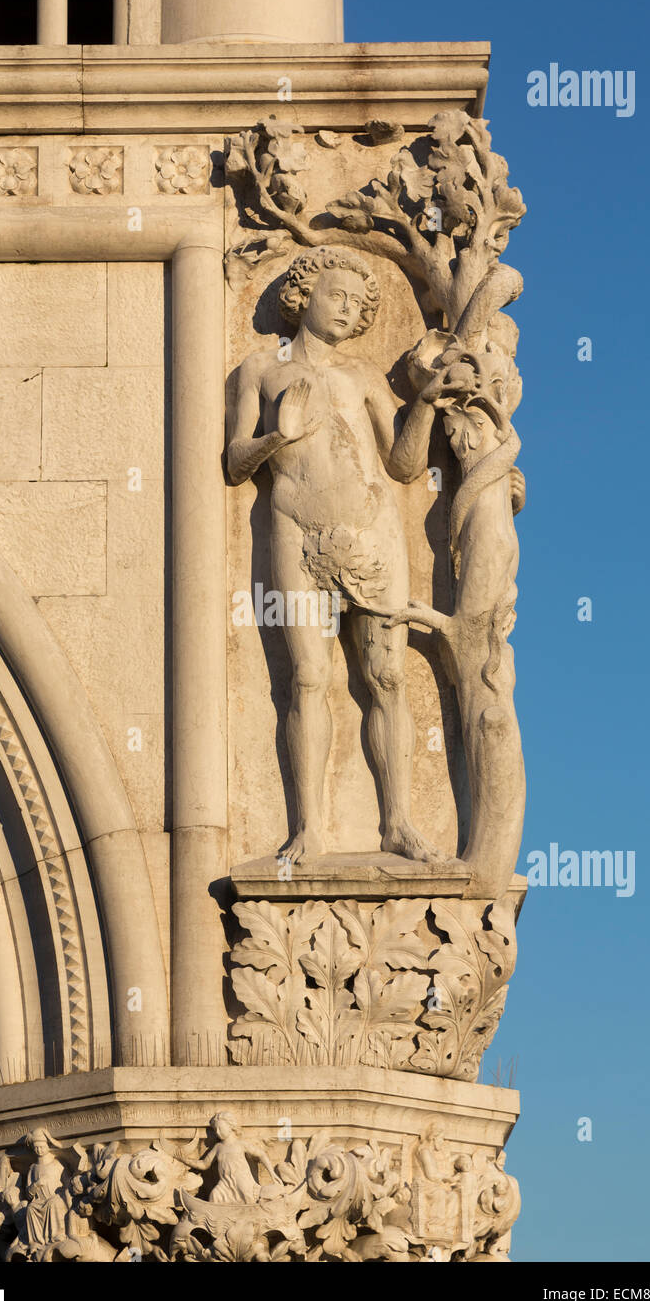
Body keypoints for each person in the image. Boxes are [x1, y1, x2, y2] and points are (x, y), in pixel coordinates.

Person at [228, 246, 442, 865]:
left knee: (388, 677)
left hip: (373, 533)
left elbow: (403, 465)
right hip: (297, 532)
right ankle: (309, 828)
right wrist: (275, 438)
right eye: (337, 296)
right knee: (308, 677)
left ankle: (398, 823)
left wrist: (424, 401)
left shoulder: (365, 379)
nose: (347, 310)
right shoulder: (262, 370)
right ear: (304, 295)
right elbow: (233, 461)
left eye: (357, 303)